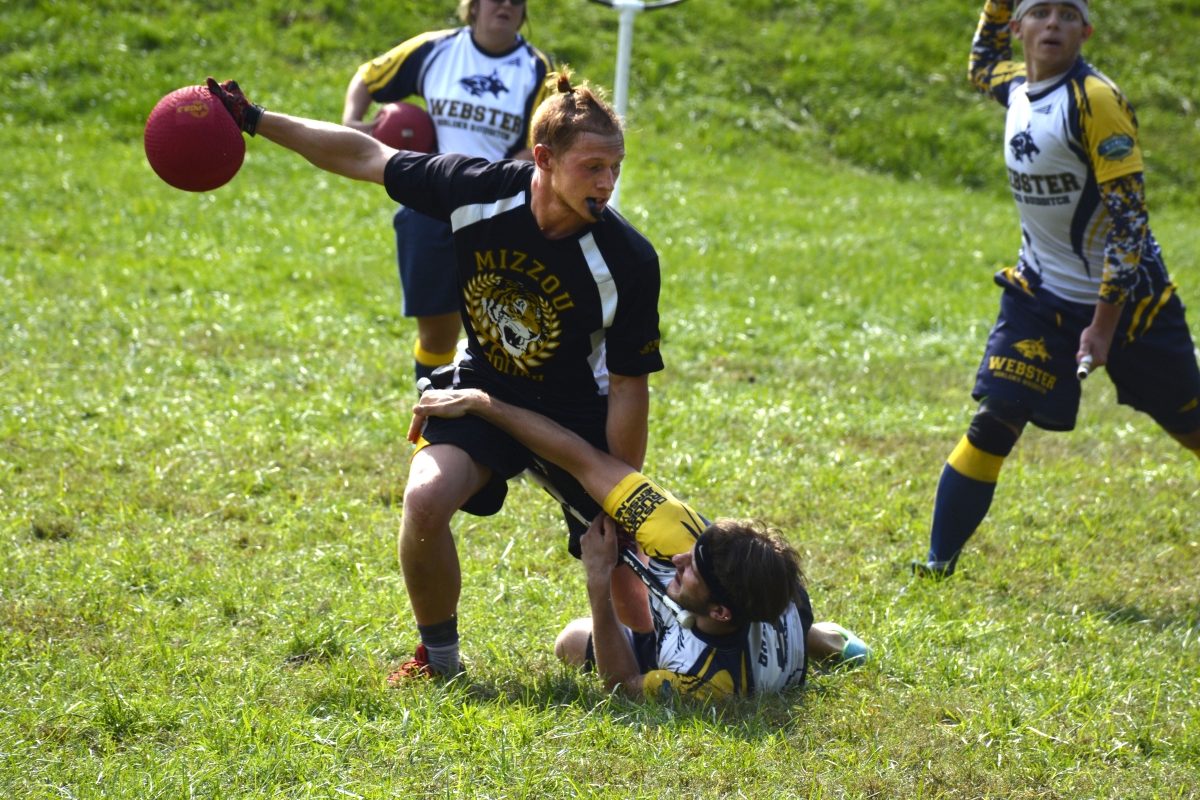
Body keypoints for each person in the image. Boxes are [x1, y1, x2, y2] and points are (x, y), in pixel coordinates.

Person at [204, 69, 663, 678]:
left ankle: (659, 659)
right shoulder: (475, 190)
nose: (607, 183)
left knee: (629, 576)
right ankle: (439, 662)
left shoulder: (628, 260)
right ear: (544, 159)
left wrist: (621, 496)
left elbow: (629, 387)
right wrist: (257, 120)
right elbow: (366, 155)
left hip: (577, 411)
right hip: (484, 386)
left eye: (615, 167)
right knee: (424, 500)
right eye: (593, 167)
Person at [914, 0, 1200, 577]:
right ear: (1019, 27)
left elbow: (1129, 226)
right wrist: (998, 4)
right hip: (1040, 297)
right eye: (1039, 12)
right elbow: (980, 63)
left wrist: (1103, 326)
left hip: (1132, 307)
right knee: (995, 419)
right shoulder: (1016, 87)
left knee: (1191, 427)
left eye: (1067, 15)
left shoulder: (1096, 101)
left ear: (1085, 31)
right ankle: (937, 564)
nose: (1052, 24)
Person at [409, 388, 871, 699]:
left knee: (571, 641)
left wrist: (597, 579)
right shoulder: (681, 532)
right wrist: (483, 404)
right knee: (779, 605)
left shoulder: (706, 681)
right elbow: (583, 459)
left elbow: (623, 685)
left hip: (742, 643)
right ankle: (817, 638)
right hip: (782, 611)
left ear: (719, 612)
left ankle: (818, 640)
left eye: (691, 569)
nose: (679, 556)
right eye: (695, 548)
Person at [342, 0, 553, 385]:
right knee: (436, 334)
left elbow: (541, 146)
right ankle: (430, 410)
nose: (506, 4)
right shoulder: (435, 49)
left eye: (517, 0)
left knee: (501, 331)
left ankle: (490, 415)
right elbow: (368, 77)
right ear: (473, 5)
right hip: (429, 203)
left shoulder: (538, 69)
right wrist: (351, 121)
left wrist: (484, 181)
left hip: (497, 208)